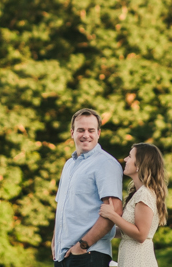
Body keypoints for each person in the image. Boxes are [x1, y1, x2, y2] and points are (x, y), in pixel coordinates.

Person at [52, 108, 123, 267]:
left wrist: (83, 245)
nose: (86, 135)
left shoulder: (105, 164)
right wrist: (55, 242)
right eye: (81, 130)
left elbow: (114, 210)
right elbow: (62, 208)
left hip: (89, 254)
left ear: (98, 133)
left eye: (91, 130)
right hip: (63, 255)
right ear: (72, 133)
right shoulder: (69, 165)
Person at [98, 143, 167, 267]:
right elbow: (127, 231)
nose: (125, 159)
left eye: (129, 156)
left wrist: (112, 215)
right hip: (129, 258)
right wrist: (100, 232)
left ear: (139, 165)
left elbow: (141, 235)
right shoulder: (137, 192)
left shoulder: (144, 194)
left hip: (139, 260)